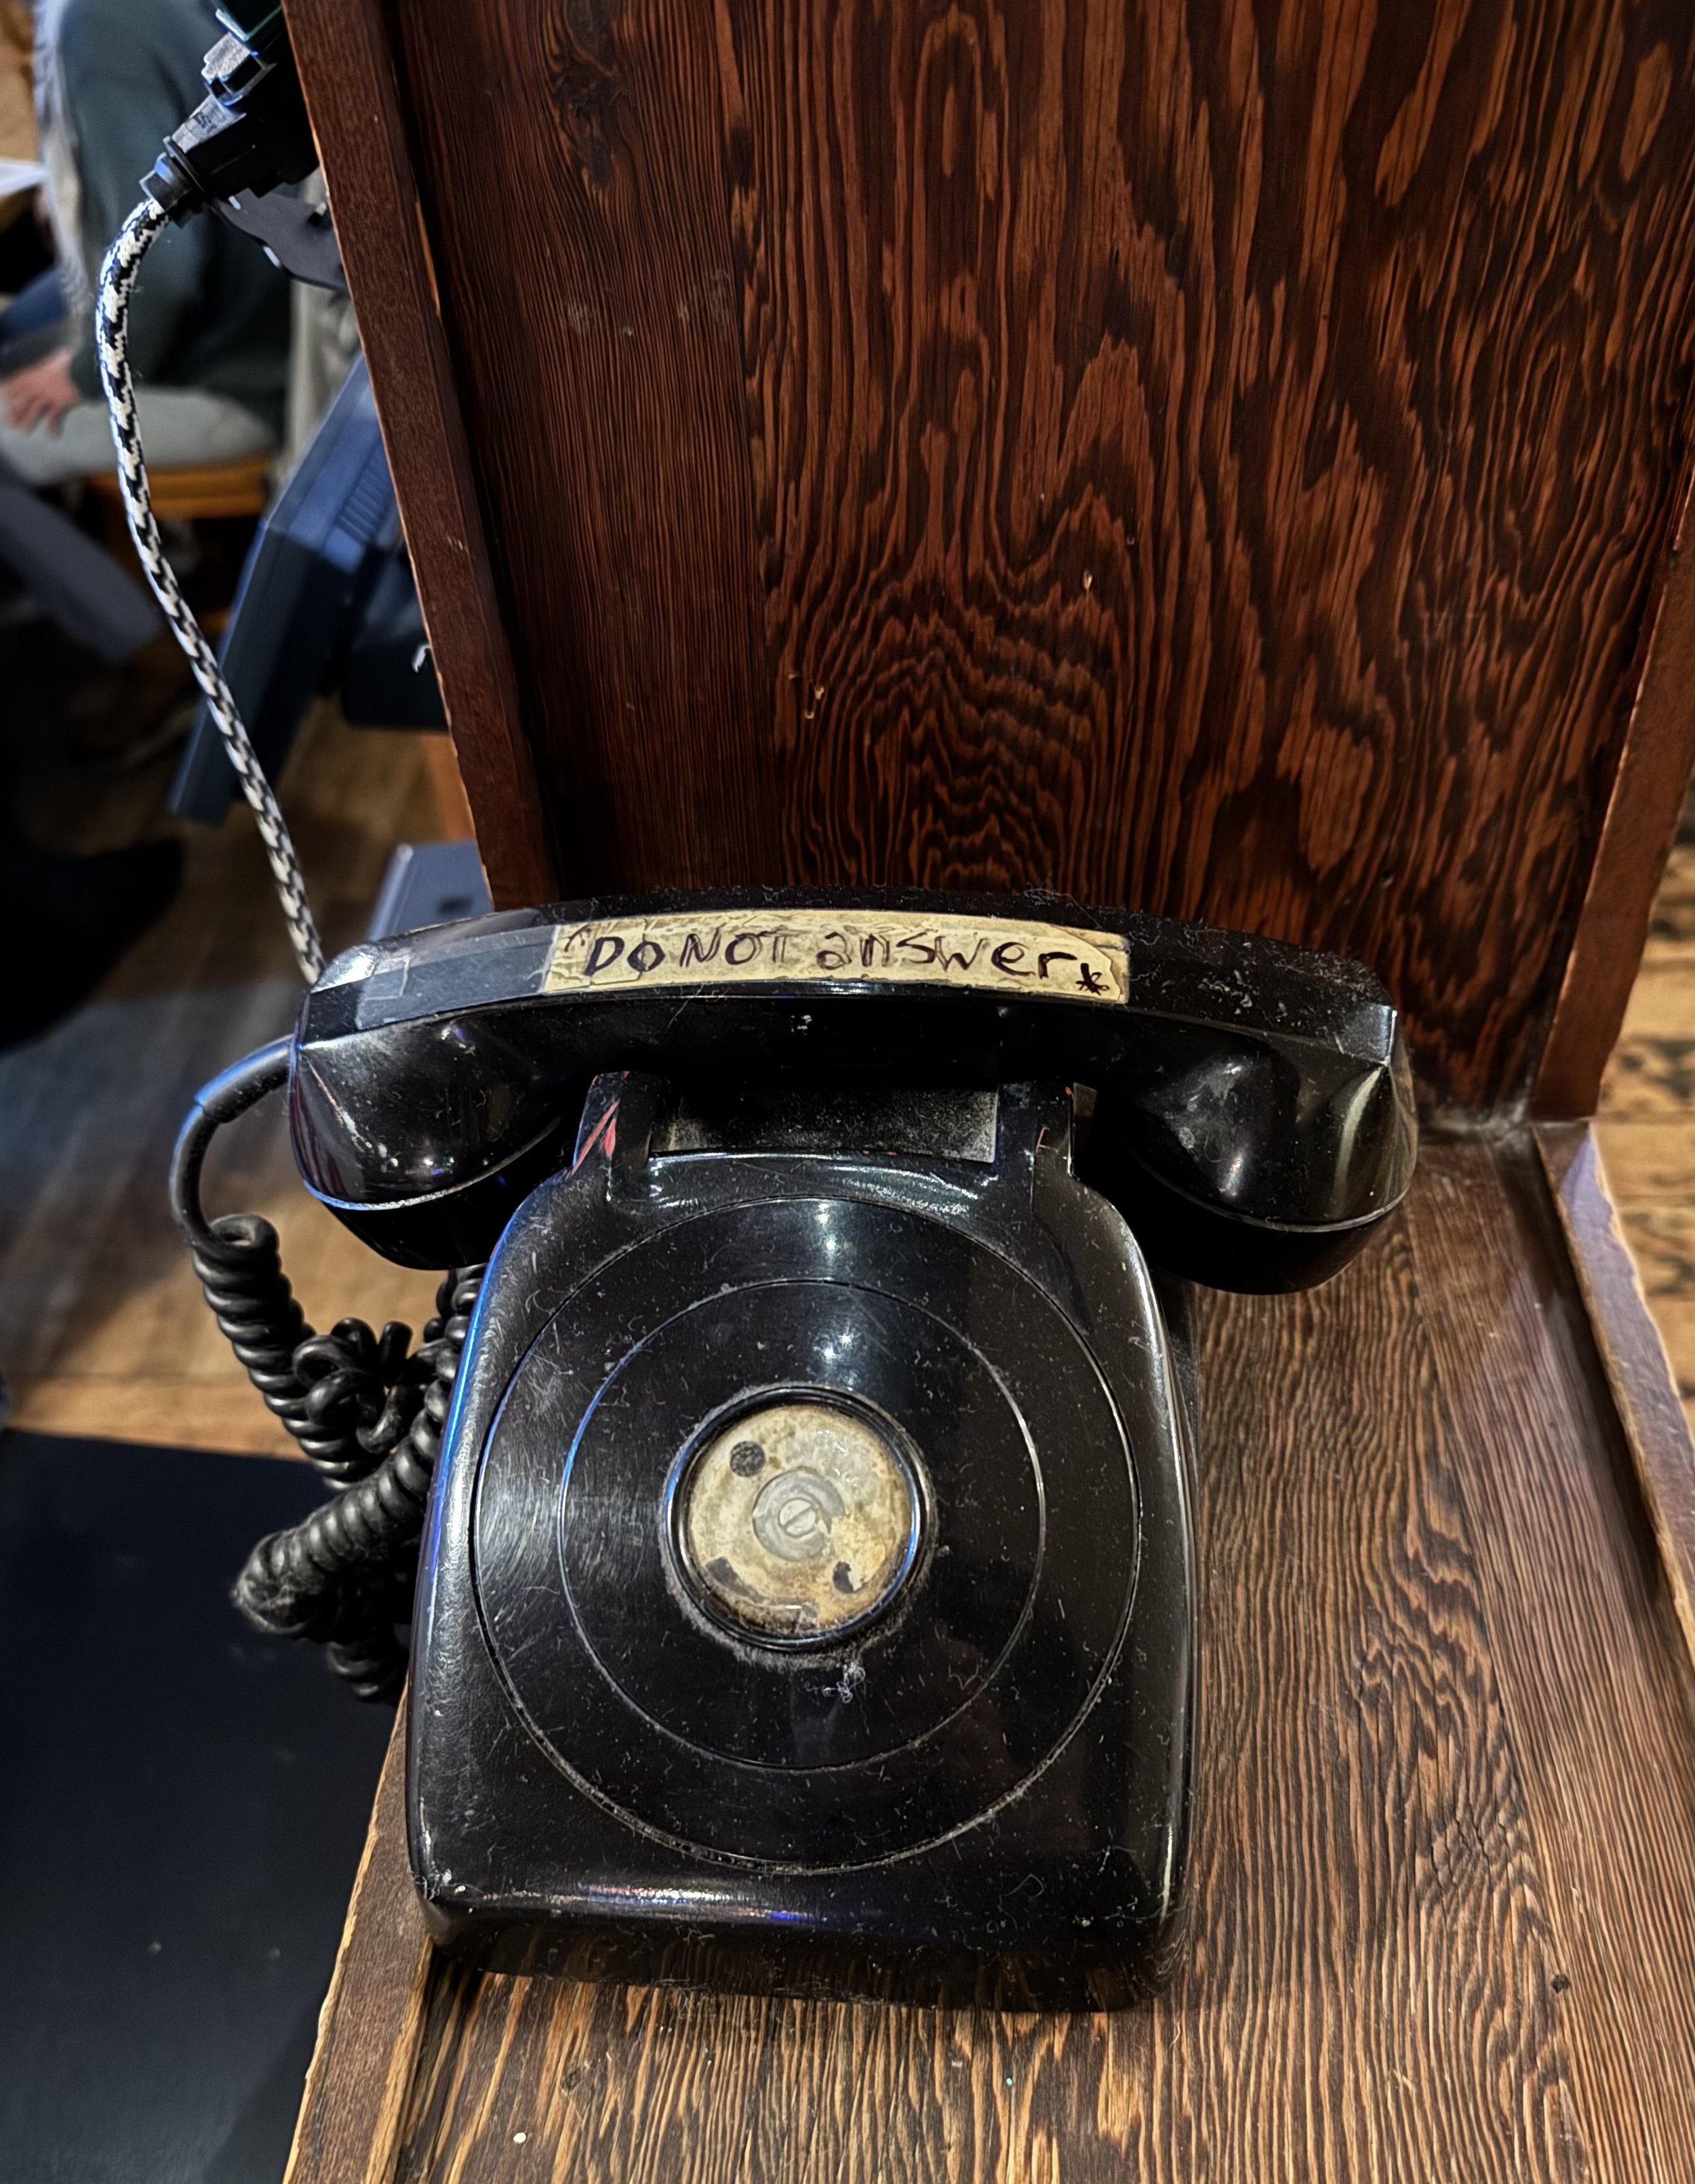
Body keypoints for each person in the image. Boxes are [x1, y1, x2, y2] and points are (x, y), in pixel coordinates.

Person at [0, 0, 290, 486]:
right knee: (16, 339)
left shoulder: (92, 24)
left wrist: (83, 374)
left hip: (234, 385)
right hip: (253, 342)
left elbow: (162, 271)